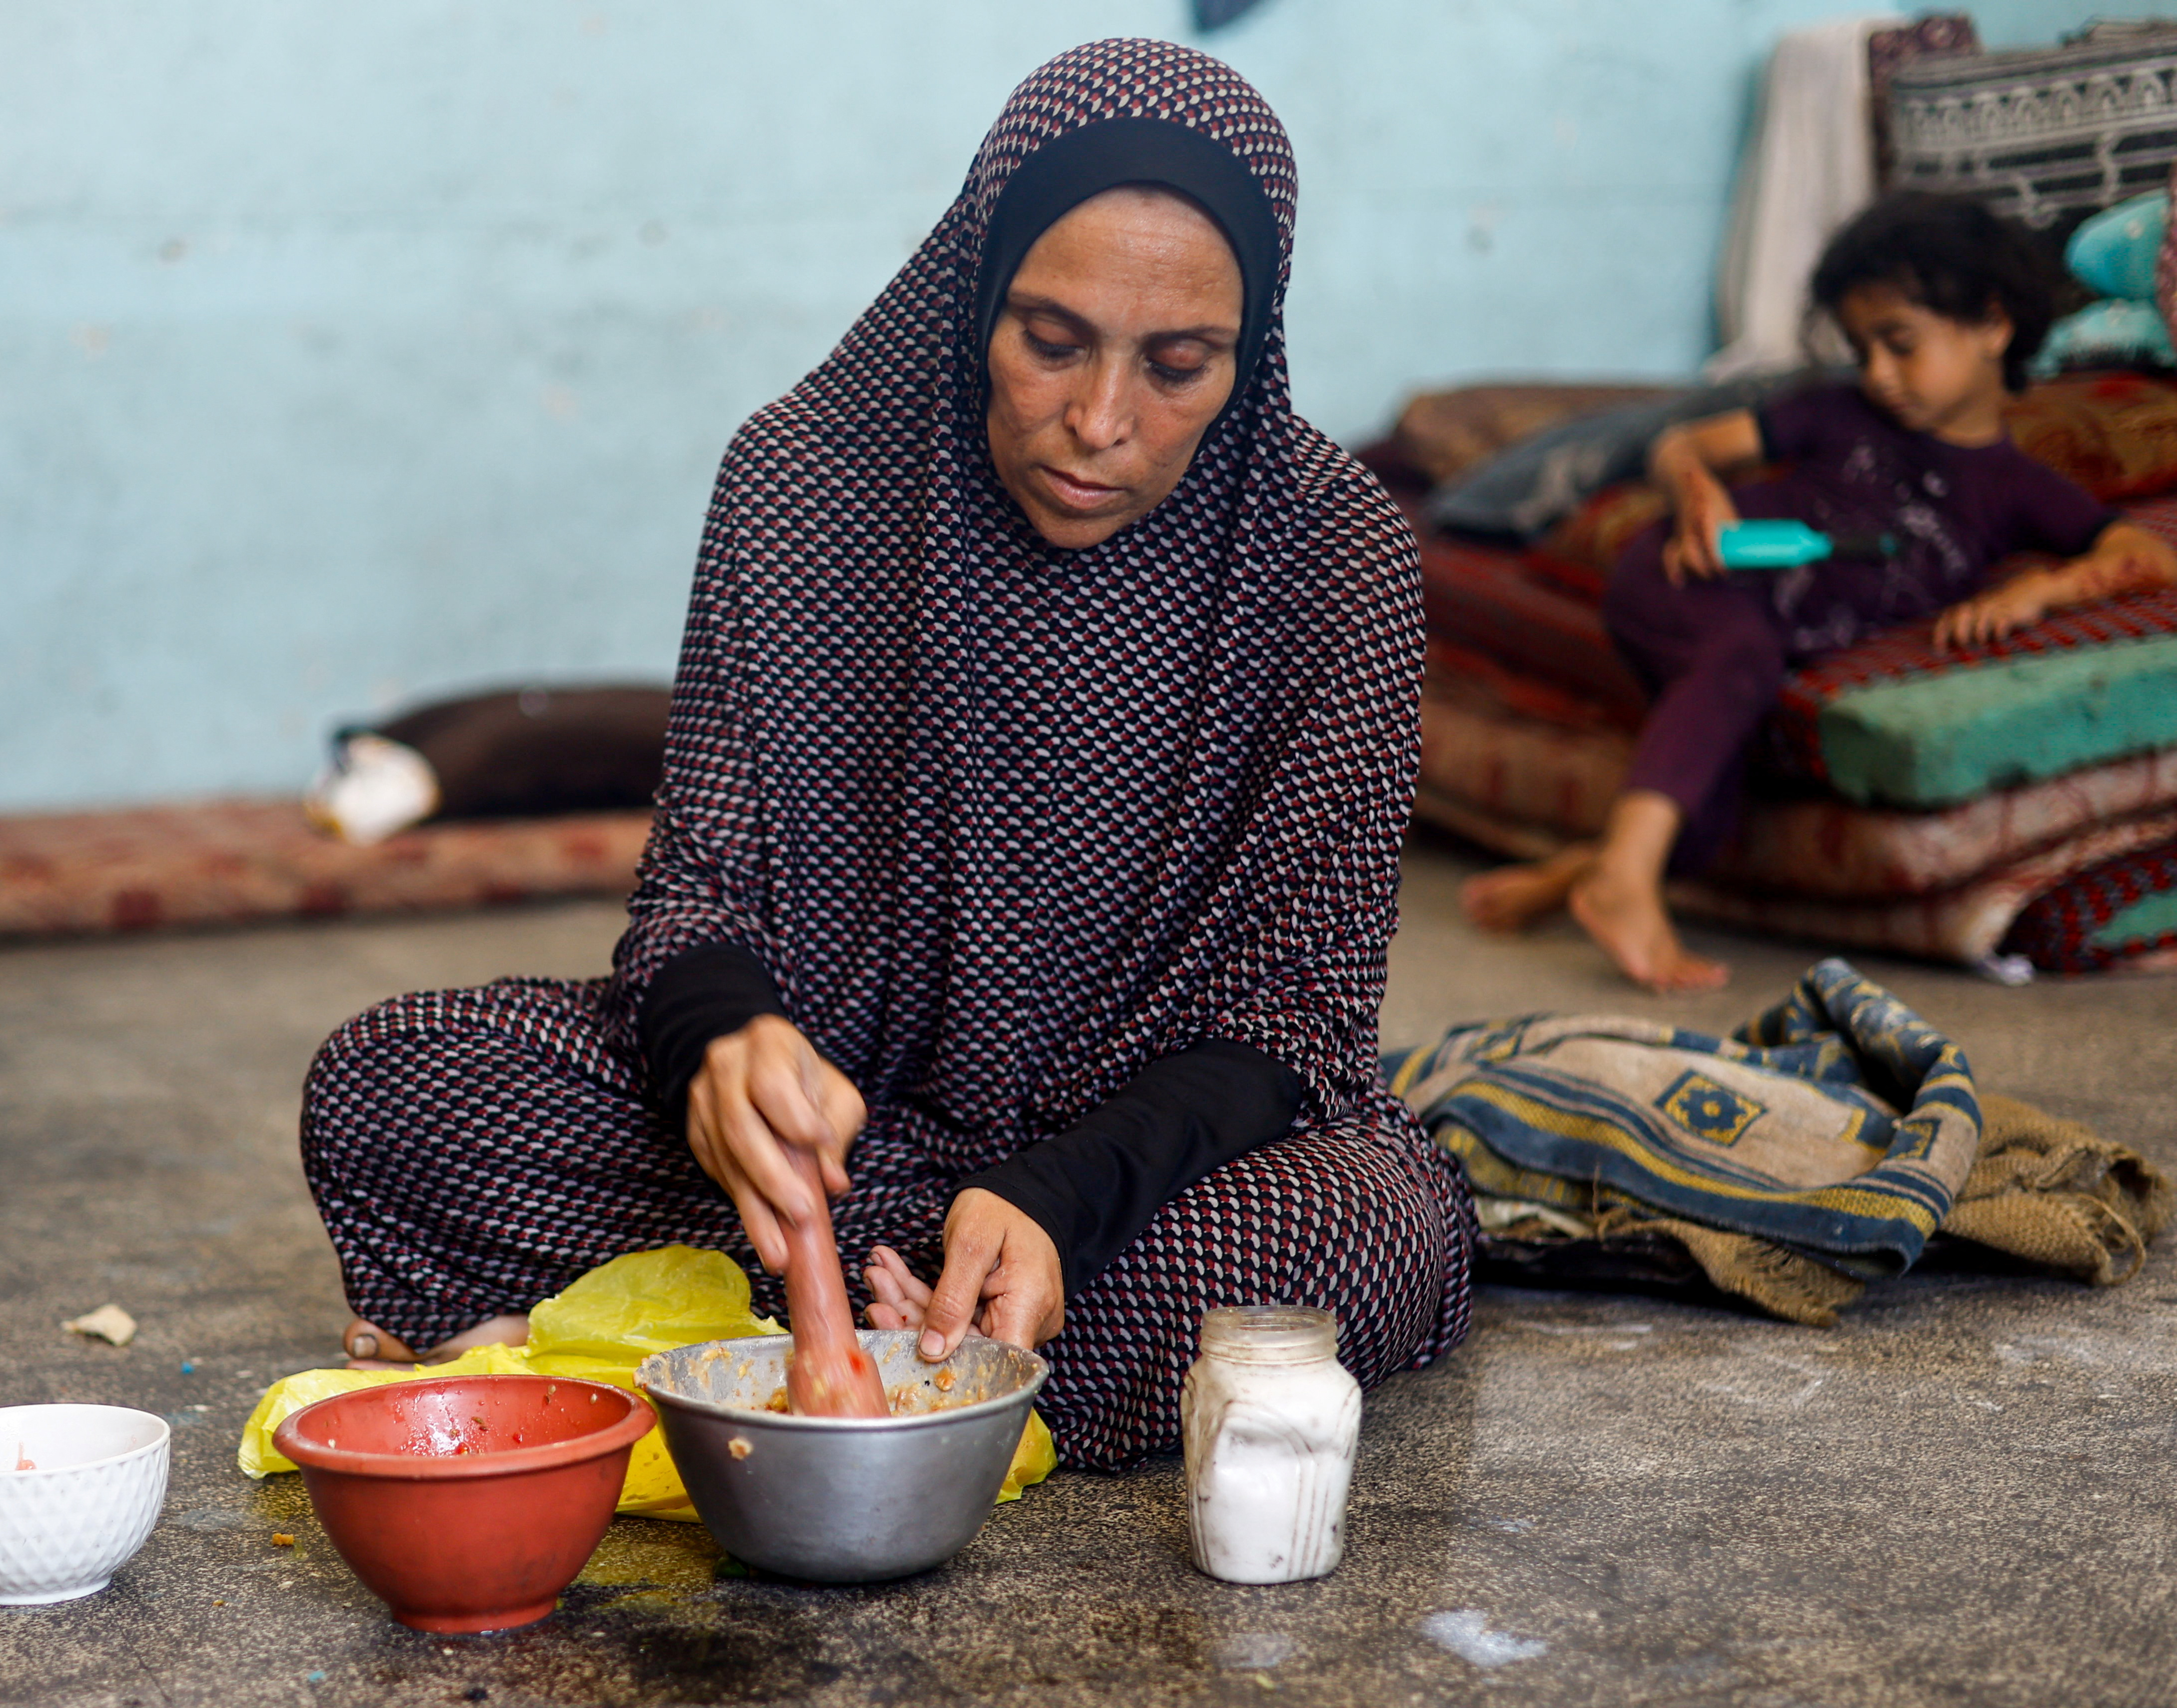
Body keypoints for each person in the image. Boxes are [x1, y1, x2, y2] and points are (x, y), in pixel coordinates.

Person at [298, 38, 1476, 1470]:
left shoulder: (1334, 557)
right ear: (972, 288)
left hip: (1147, 1177)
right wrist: (727, 1048)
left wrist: (1060, 1194)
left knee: (1361, 1228)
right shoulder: (803, 482)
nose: (1100, 422)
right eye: (1049, 341)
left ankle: (711, 1352)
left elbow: (1295, 1018)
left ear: (1250, 346)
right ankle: (936, 1364)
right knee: (396, 1085)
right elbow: (697, 900)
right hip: (836, 1150)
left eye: (1178, 367)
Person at [1460, 191, 2177, 994]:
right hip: (1687, 577)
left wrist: (2039, 593)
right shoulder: (1833, 413)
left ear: (1992, 323)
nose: (1874, 372)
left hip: (1758, 646)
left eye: (1898, 344)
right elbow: (1683, 441)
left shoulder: (2016, 487)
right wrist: (1692, 487)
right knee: (1741, 659)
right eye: (1860, 346)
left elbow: (2144, 555)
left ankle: (1574, 876)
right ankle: (1622, 887)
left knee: (1715, 810)